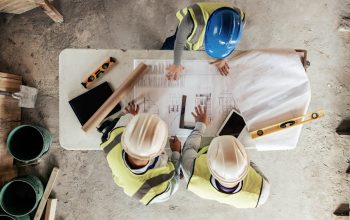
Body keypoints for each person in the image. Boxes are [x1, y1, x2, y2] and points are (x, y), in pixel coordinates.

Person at [180, 105, 270, 208]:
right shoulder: (261, 192)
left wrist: (200, 125)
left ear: (208, 162)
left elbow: (189, 147)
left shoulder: (191, 171)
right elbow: (250, 164)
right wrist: (237, 155)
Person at [100, 101, 181, 205]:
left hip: (124, 177)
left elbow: (126, 121)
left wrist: (131, 116)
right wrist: (176, 152)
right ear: (160, 152)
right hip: (143, 191)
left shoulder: (116, 136)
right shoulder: (157, 190)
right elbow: (175, 183)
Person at [162, 2, 245, 80]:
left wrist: (223, 57)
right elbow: (179, 42)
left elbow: (232, 39)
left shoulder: (239, 20)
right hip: (185, 31)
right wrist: (176, 64)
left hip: (199, 32)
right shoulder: (191, 21)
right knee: (172, 42)